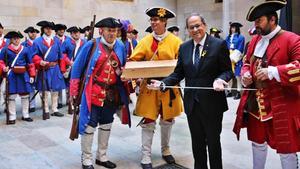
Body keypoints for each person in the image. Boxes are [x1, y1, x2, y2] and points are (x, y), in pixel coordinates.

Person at [148, 13, 233, 169]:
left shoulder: (218, 44)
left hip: (212, 104)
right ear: (187, 29)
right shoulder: (184, 47)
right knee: (197, 143)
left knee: (213, 144)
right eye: (191, 27)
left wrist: (221, 80)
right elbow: (178, 73)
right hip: (192, 105)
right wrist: (163, 84)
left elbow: (228, 71)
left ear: (204, 25)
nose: (195, 29)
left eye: (198, 25)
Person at [233, 1, 300, 169]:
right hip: (256, 104)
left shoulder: (292, 39)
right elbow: (247, 62)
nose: (256, 25)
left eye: (259, 21)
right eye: (254, 21)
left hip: (282, 104)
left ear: (272, 20)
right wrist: (245, 74)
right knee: (257, 143)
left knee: (287, 149)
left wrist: (273, 71)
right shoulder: (255, 41)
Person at [70, 17, 130, 169]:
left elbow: (123, 66)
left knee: (107, 123)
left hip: (111, 93)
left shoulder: (121, 46)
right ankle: (87, 159)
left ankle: (101, 157)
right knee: (89, 125)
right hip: (93, 92)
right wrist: (74, 92)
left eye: (115, 31)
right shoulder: (91, 45)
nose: (113, 34)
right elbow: (77, 68)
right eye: (110, 30)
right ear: (101, 30)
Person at [129, 7, 183, 169]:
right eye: (152, 20)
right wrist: (134, 73)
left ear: (165, 22)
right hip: (149, 88)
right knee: (148, 121)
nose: (153, 22)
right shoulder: (145, 41)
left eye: (157, 20)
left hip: (169, 87)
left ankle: (166, 150)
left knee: (168, 120)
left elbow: (182, 64)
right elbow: (133, 61)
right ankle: (146, 155)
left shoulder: (176, 42)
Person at [32, 20, 66, 120]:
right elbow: (33, 56)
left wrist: (62, 69)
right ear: (43, 29)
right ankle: (46, 109)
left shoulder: (56, 41)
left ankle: (54, 109)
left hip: (55, 68)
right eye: (47, 28)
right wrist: (39, 61)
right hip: (44, 68)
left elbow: (61, 57)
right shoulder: (37, 41)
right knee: (45, 91)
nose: (49, 30)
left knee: (55, 90)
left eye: (50, 28)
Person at [0, 31, 36, 124]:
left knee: (25, 95)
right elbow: (1, 61)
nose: (16, 40)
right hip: (11, 74)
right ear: (11, 40)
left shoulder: (25, 49)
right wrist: (4, 67)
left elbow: (30, 63)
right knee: (11, 96)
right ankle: (12, 116)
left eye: (18, 38)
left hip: (23, 74)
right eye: (14, 38)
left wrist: (32, 75)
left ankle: (26, 114)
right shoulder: (5, 49)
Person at [225, 22, 245, 99]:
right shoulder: (227, 37)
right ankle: (229, 91)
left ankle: (238, 92)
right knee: (229, 75)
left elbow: (240, 48)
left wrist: (233, 57)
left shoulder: (241, 37)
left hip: (236, 58)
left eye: (234, 28)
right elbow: (225, 47)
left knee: (238, 76)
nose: (232, 29)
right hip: (228, 57)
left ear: (237, 28)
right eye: (231, 28)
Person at [22, 26, 40, 113]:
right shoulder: (24, 45)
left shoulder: (39, 43)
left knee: (41, 86)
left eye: (34, 32)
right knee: (30, 86)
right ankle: (31, 104)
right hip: (29, 68)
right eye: (31, 32)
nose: (33, 34)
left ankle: (44, 104)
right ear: (28, 33)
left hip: (39, 67)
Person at [54, 23, 69, 108]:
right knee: (58, 85)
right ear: (56, 31)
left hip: (67, 65)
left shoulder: (68, 39)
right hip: (57, 65)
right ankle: (59, 102)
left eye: (63, 30)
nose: (61, 31)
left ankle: (68, 101)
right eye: (59, 30)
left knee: (68, 84)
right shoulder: (53, 40)